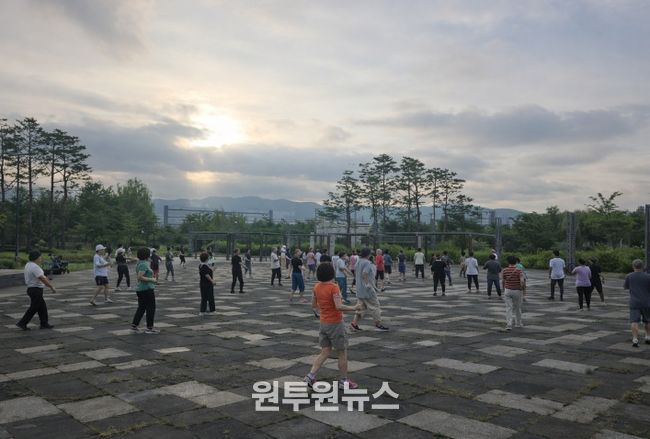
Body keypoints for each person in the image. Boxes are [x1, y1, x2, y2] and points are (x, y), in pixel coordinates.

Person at [304, 262, 362, 390]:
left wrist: (324, 306)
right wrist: (354, 308)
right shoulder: (334, 287)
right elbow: (339, 306)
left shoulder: (316, 286)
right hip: (335, 324)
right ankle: (343, 381)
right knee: (342, 352)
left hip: (323, 323)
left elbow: (313, 305)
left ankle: (310, 376)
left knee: (325, 351)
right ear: (332, 273)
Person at [351, 248, 389, 332]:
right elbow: (365, 273)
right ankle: (378, 323)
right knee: (375, 306)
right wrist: (367, 284)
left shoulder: (358, 262)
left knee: (361, 307)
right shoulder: (367, 263)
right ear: (368, 255)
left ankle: (354, 324)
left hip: (359, 289)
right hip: (367, 290)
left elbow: (356, 272)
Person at [16, 250, 57, 330]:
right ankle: (22, 323)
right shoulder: (35, 267)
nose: (41, 258)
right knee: (34, 307)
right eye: (40, 257)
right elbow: (42, 278)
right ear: (36, 258)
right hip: (36, 290)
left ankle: (44, 323)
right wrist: (51, 287)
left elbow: (40, 277)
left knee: (42, 307)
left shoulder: (28, 265)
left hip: (32, 289)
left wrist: (45, 277)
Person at [131, 247, 159, 333]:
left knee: (142, 307)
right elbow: (140, 277)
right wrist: (152, 280)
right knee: (151, 308)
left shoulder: (140, 262)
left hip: (141, 289)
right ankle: (149, 328)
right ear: (147, 255)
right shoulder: (144, 264)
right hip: (146, 289)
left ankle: (134, 324)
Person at [623, 259, 650, 347]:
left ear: (633, 266)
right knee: (648, 321)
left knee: (634, 321)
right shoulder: (648, 276)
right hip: (647, 302)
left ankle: (635, 339)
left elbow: (626, 287)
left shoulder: (629, 276)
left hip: (634, 302)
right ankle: (648, 337)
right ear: (643, 266)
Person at [502, 255, 525, 330]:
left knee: (508, 308)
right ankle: (518, 323)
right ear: (516, 262)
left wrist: (504, 289)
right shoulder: (519, 270)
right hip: (517, 291)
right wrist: (522, 288)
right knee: (518, 308)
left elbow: (503, 280)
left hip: (507, 290)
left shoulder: (505, 270)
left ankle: (509, 324)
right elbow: (522, 281)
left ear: (508, 262)